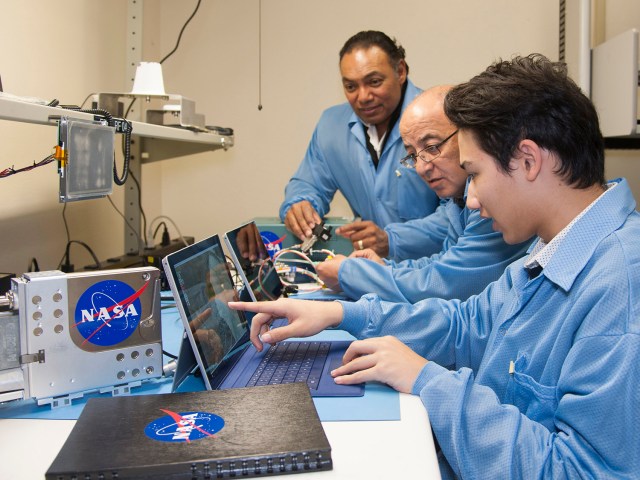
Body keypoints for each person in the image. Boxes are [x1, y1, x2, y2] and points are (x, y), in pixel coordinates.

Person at [231, 54, 640, 478]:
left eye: (475, 173)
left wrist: (428, 381)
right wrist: (340, 312)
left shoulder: (620, 290)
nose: (473, 200)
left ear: (529, 160)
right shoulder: (552, 248)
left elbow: (582, 472)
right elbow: (468, 325)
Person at [316, 86, 532, 302]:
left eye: (432, 147)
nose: (421, 168)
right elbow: (444, 262)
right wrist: (382, 268)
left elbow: (446, 284)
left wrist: (351, 275)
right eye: (412, 155)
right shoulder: (457, 199)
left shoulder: (493, 197)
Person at [280, 30, 439, 251]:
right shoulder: (331, 126)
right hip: (370, 268)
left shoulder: (438, 119)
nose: (363, 97)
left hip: (435, 269)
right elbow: (309, 183)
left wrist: (394, 239)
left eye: (374, 82)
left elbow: (457, 215)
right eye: (351, 86)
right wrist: (300, 203)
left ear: (400, 71)